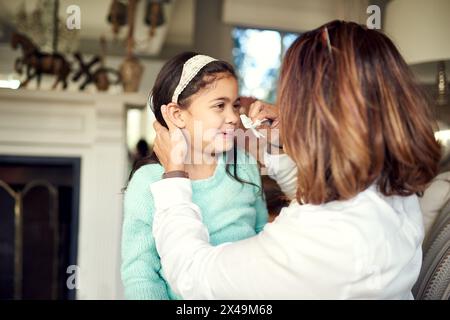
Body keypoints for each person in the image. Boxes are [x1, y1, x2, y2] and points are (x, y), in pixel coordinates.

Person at [150, 20, 442, 299]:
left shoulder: (326, 243)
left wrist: (174, 176)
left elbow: (192, 275)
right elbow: (315, 199)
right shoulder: (390, 188)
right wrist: (279, 147)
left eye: (291, 100)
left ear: (315, 114)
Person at [121, 52, 268, 299]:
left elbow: (263, 238)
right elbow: (141, 274)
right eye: (219, 105)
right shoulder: (148, 182)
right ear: (177, 115)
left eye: (234, 105)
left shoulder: (243, 165)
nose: (233, 117)